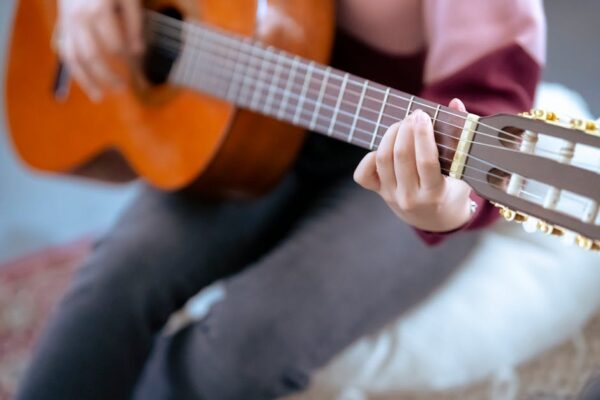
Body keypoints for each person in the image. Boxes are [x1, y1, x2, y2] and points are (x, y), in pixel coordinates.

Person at [16, 0, 545, 399]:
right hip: (233, 126)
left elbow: (481, 123)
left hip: (403, 160)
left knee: (244, 349)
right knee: (119, 276)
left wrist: (444, 204)